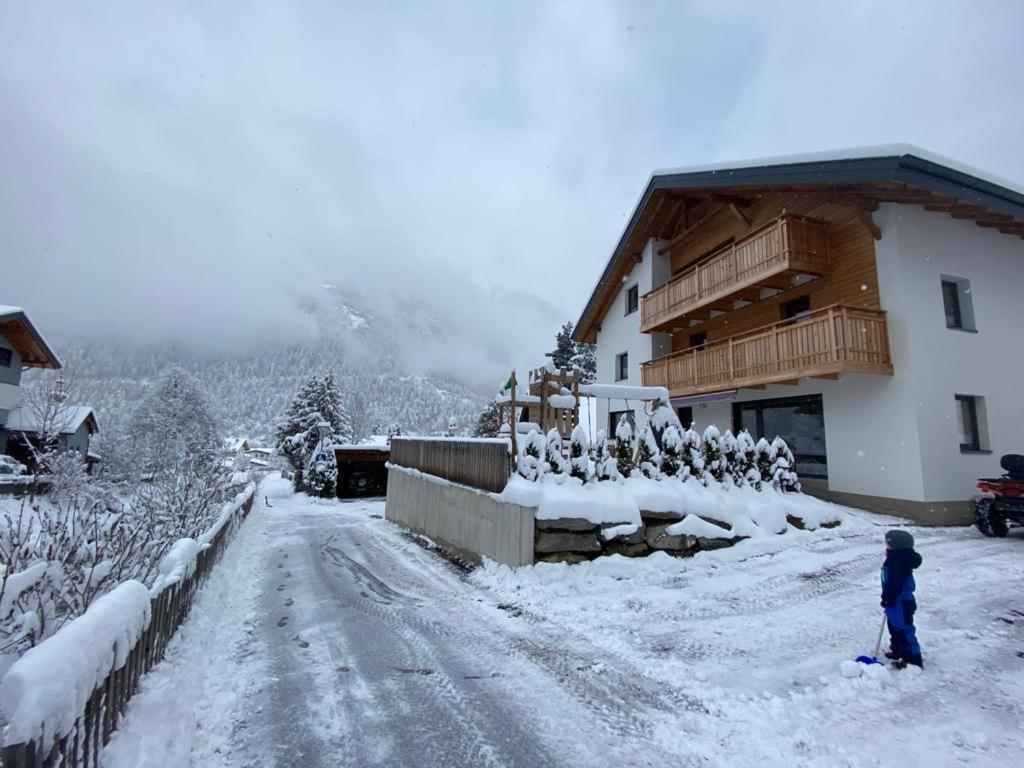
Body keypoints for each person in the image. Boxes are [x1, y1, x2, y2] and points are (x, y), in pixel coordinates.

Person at [881, 529, 924, 669]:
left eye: (887, 543)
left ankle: (913, 658)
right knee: (894, 627)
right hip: (895, 602)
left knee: (904, 629)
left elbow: (895, 584)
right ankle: (898, 651)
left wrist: (888, 598)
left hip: (900, 603)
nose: (885, 546)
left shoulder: (898, 562)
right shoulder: (896, 558)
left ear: (895, 546)